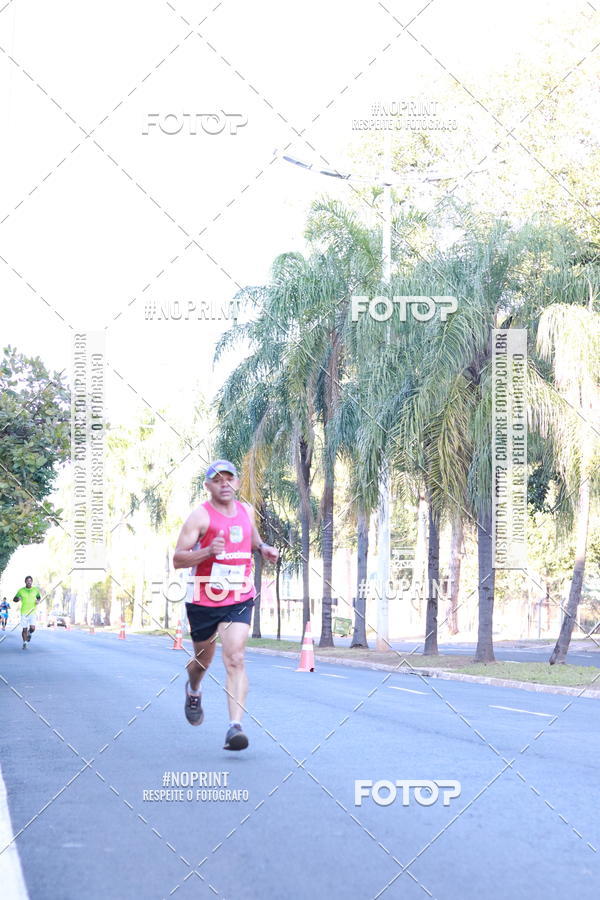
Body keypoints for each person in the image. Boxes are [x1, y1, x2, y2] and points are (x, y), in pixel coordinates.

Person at [173, 460, 278, 750]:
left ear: (237, 483)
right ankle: (193, 687)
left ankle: (235, 727)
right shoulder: (199, 518)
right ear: (208, 486)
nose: (224, 484)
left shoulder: (245, 511)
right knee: (202, 662)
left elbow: (253, 540)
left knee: (236, 658)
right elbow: (178, 559)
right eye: (217, 480)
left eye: (229, 479)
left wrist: (263, 549)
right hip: (204, 599)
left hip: (239, 595)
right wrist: (207, 551)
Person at [13, 576, 42, 649]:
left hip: (32, 611)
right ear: (25, 582)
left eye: (30, 581)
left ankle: (30, 633)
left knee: (33, 628)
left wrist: (38, 601)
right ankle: (25, 643)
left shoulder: (35, 590)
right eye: (27, 581)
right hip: (24, 612)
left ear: (32, 582)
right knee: (24, 629)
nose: (29, 582)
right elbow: (14, 599)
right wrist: (18, 599)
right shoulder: (21, 590)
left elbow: (39, 597)